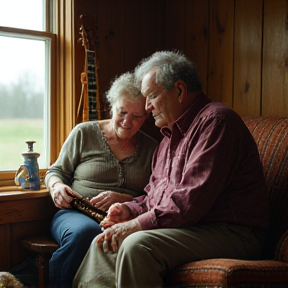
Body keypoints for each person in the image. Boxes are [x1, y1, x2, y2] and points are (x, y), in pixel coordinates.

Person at [73, 51, 270, 288]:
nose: (147, 107)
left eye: (152, 96)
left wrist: (135, 225)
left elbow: (189, 202)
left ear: (179, 90)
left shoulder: (216, 122)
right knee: (104, 242)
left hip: (232, 232)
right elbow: (154, 196)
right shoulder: (167, 139)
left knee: (136, 245)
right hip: (194, 226)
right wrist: (129, 210)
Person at [45, 71, 158, 288]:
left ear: (146, 116)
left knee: (134, 241)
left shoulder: (153, 148)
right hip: (75, 213)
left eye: (137, 116)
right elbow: (56, 171)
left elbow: (158, 194)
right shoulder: (84, 133)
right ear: (111, 106)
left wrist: (126, 199)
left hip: (128, 217)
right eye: (122, 112)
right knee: (85, 233)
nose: (127, 122)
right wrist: (56, 186)